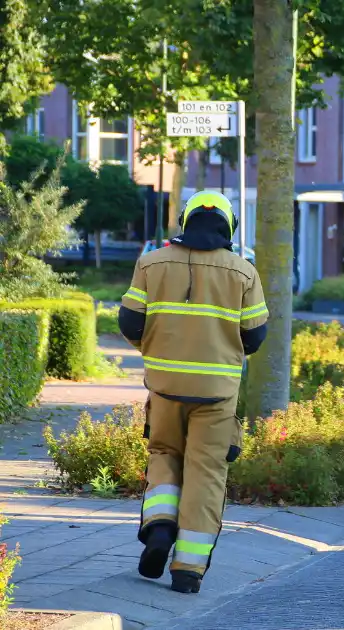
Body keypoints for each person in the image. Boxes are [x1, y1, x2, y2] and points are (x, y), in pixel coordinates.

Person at [118, 190, 268, 594]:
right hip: (217, 395)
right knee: (206, 473)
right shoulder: (243, 272)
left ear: (185, 222)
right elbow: (255, 337)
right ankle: (186, 571)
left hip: (165, 388)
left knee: (164, 454)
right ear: (230, 225)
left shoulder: (151, 263)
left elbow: (131, 323)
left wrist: (157, 351)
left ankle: (159, 529)